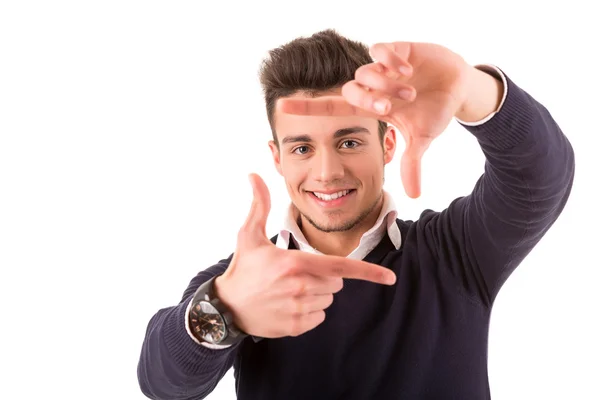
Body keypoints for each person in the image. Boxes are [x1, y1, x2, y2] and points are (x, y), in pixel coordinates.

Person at [137, 29, 575, 399]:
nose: (326, 173)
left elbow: (540, 176)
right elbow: (163, 383)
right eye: (303, 148)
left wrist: (471, 88)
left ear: (387, 145)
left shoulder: (455, 251)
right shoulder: (244, 281)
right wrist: (226, 308)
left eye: (349, 142)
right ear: (277, 158)